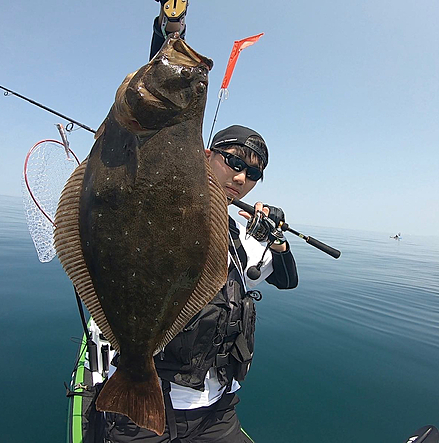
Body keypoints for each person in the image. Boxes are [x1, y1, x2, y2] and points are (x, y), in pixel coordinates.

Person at [100, 2, 299, 442]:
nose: (242, 177)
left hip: (216, 410)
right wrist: (171, 29)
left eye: (254, 173)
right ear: (206, 155)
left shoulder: (243, 233)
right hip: (148, 401)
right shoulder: (163, 180)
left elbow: (287, 281)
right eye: (234, 161)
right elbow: (151, 118)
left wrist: (280, 242)